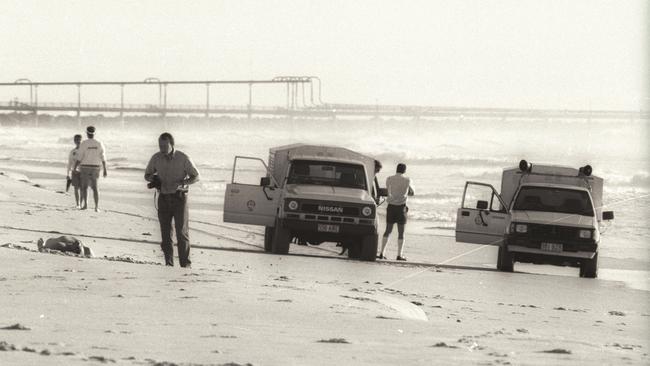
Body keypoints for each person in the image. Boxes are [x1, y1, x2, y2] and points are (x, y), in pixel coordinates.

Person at [144, 132, 200, 268]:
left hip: (179, 198)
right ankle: (169, 263)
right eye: (160, 146)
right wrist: (153, 179)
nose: (162, 148)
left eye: (164, 145)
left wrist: (184, 182)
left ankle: (185, 264)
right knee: (165, 233)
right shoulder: (156, 158)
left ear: (172, 144)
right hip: (163, 197)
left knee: (182, 232)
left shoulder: (183, 158)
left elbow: (196, 176)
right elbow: (147, 174)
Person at [378, 163, 414, 261]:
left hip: (391, 207)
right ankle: (399, 255)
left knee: (388, 230)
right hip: (401, 208)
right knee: (401, 232)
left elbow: (388, 190)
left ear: (396, 169)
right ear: (404, 170)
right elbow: (412, 192)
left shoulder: (389, 179)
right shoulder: (407, 180)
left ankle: (382, 253)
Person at [74, 126, 107, 212]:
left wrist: (74, 167)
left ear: (86, 133)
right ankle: (96, 207)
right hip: (96, 167)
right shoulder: (99, 143)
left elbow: (79, 157)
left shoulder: (84, 143)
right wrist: (105, 170)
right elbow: (103, 157)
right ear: (94, 133)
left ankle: (85, 205)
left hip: (85, 166)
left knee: (84, 187)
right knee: (95, 188)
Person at [66, 134, 84, 208]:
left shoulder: (84, 151)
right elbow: (69, 163)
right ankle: (78, 204)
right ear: (74, 141)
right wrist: (68, 174)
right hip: (74, 172)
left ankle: (82, 203)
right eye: (76, 140)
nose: (78, 141)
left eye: (79, 140)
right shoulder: (72, 151)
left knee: (83, 188)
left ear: (82, 141)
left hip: (83, 171)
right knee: (76, 188)